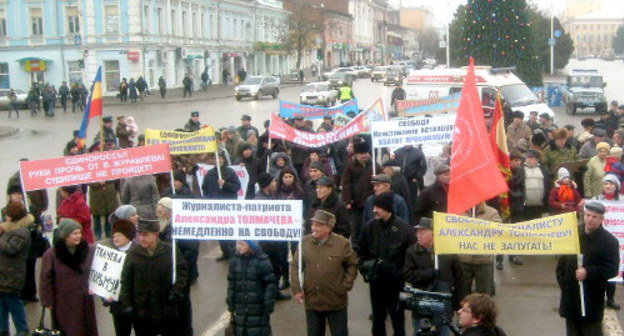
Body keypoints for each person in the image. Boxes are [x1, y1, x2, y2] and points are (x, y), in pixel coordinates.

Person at [291, 210, 359, 336]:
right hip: (312, 301)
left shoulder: (342, 243)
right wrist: (297, 289)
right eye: (313, 225)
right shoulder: (304, 243)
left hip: (336, 301)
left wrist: (345, 285)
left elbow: (352, 264)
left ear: (329, 227)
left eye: (318, 225)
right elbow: (295, 266)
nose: (313, 228)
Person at [357, 192, 416, 336]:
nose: (374, 210)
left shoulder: (404, 229)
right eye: (374, 206)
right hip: (376, 282)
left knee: (397, 319)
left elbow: (411, 258)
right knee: (377, 319)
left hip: (396, 283)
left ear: (388, 208)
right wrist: (366, 270)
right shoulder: (369, 228)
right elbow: (361, 253)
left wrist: (400, 273)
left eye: (378, 207)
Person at [557, 201, 619, 336]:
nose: (590, 220)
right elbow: (561, 267)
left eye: (594, 217)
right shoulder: (572, 234)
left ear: (602, 219)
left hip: (592, 302)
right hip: (571, 302)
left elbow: (612, 269)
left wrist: (589, 272)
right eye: (588, 215)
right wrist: (566, 286)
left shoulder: (609, 242)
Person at [120, 219, 188, 336]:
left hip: (166, 308)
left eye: (146, 235)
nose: (142, 238)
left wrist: (176, 291)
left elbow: (182, 271)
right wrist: (127, 304)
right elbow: (126, 280)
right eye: (140, 234)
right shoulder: (133, 254)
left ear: (156, 234)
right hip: (142, 311)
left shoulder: (170, 250)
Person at [404, 217, 462, 336]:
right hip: (421, 302)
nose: (418, 235)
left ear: (433, 234)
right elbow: (408, 275)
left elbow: (459, 279)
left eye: (422, 232)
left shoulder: (447, 252)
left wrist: (458, 303)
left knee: (444, 332)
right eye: (418, 232)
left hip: (443, 304)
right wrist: (428, 273)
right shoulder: (412, 251)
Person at [40, 219, 98, 336]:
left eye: (79, 233)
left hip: (84, 300)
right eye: (74, 233)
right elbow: (45, 279)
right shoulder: (51, 254)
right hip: (63, 302)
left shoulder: (89, 250)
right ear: (65, 235)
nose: (78, 236)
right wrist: (47, 301)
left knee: (86, 329)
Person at [157, 198, 198, 335]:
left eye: (160, 210)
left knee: (183, 305)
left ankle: (185, 331)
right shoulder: (162, 226)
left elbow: (191, 251)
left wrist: (180, 268)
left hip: (181, 275)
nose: (157, 212)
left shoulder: (181, 226)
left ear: (168, 212)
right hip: (167, 275)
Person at [227, 240, 276, 336]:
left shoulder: (263, 262)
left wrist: (268, 304)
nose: (238, 246)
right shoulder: (234, 262)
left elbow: (270, 284)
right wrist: (230, 303)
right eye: (237, 243)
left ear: (250, 245)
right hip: (240, 308)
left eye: (242, 244)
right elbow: (231, 284)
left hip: (258, 309)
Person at [0, 202, 33, 336]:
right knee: (1, 303)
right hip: (3, 272)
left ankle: (22, 329)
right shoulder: (8, 229)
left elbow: (11, 249)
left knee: (13, 302)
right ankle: (3, 329)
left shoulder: (22, 231)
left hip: (12, 274)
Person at [202, 150, 241, 261]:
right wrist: (208, 201)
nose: (217, 160)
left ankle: (233, 252)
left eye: (219, 158)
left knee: (230, 230)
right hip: (215, 207)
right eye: (215, 159)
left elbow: (237, 187)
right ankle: (225, 252)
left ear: (223, 159)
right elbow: (204, 189)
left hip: (228, 206)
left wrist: (225, 184)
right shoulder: (209, 174)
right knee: (219, 231)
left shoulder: (230, 172)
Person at [100, 219, 137, 336]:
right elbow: (103, 277)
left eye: (119, 235)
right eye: (114, 235)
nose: (115, 239)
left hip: (137, 305)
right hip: (118, 307)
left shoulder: (138, 252)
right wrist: (105, 297)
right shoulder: (109, 254)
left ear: (128, 236)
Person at [341, 139, 379, 246]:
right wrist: (347, 200)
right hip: (356, 204)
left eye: (366, 153)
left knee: (371, 226)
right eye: (361, 153)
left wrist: (378, 178)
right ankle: (356, 248)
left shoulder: (374, 166)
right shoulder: (350, 166)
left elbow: (383, 180)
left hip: (372, 203)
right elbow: (346, 184)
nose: (364, 156)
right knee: (356, 228)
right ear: (357, 154)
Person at [458, 202, 500, 299]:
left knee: (484, 296)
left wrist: (479, 227)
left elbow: (498, 231)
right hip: (463, 259)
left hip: (484, 260)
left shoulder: (492, 213)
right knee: (463, 295)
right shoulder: (459, 212)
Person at [393, 144, 428, 213]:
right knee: (401, 198)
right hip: (400, 180)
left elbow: (423, 167)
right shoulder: (397, 152)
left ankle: (413, 218)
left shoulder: (418, 152)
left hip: (413, 181)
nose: (407, 144)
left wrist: (417, 177)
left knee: (412, 201)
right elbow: (394, 165)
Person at [522, 150, 551, 221]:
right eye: (528, 158)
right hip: (524, 208)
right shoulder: (521, 169)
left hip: (540, 206)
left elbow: (547, 186)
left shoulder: (543, 170)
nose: (529, 160)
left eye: (532, 158)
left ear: (537, 160)